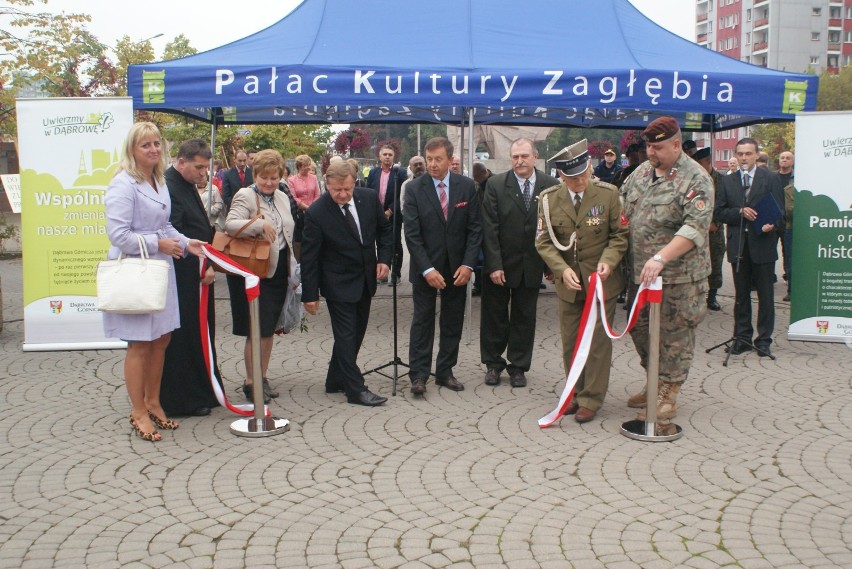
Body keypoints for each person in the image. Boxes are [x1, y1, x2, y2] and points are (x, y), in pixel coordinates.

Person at [103, 122, 206, 442]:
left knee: (161, 339)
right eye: (145, 144)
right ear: (132, 150)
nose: (153, 149)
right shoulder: (123, 184)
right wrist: (158, 244)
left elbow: (164, 227)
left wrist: (187, 243)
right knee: (140, 344)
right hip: (137, 271)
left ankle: (153, 402)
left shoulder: (158, 181)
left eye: (157, 143)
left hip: (160, 271)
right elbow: (118, 236)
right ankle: (137, 411)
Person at [621, 116, 713, 422]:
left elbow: (693, 228)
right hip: (641, 276)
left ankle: (668, 394)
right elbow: (622, 207)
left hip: (679, 278)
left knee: (674, 336)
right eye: (648, 146)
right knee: (639, 329)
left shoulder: (695, 178)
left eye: (658, 147)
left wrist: (660, 257)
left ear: (676, 144)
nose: (651, 153)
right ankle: (654, 380)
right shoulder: (642, 172)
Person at [534, 139, 627, 422]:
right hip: (569, 284)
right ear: (561, 175)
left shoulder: (608, 195)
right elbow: (544, 241)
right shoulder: (549, 199)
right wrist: (561, 270)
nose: (580, 181)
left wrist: (608, 262)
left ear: (589, 166)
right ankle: (574, 392)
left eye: (584, 174)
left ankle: (591, 398)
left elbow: (619, 236)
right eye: (573, 178)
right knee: (571, 341)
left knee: (598, 343)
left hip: (601, 283)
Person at [301, 161, 393, 406]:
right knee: (346, 335)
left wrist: (385, 259)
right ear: (326, 185)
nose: (342, 195)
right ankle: (355, 389)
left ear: (355, 183)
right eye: (336, 190)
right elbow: (309, 257)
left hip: (365, 280)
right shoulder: (317, 212)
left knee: (356, 334)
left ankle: (335, 379)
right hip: (337, 283)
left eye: (347, 189)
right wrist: (310, 294)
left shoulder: (369, 198)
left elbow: (385, 231)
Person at [404, 137, 481, 396]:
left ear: (450, 159)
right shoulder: (415, 189)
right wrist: (427, 269)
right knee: (422, 321)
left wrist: (469, 265)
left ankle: (445, 371)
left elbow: (475, 229)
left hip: (457, 268)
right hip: (425, 269)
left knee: (452, 321)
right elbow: (412, 234)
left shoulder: (467, 187)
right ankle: (419, 375)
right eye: (429, 160)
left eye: (438, 159)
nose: (433, 165)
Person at [480, 138, 559, 389]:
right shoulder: (495, 184)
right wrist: (494, 265)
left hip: (532, 264)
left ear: (535, 157)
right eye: (515, 157)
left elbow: (556, 227)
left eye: (524, 156)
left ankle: (518, 367)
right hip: (500, 264)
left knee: (525, 317)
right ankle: (493, 364)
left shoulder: (551, 185)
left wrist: (552, 265)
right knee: (495, 316)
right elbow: (489, 228)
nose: (519, 161)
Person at [225, 149, 296, 402]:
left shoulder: (282, 197)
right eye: (264, 177)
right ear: (255, 175)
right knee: (255, 330)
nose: (269, 182)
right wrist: (259, 225)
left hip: (276, 272)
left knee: (268, 330)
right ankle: (250, 381)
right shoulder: (245, 194)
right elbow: (229, 224)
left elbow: (288, 233)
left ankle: (262, 377)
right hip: (253, 272)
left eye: (274, 177)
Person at [159, 139, 221, 418]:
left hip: (195, 270)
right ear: (181, 162)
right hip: (184, 275)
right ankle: (182, 399)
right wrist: (202, 264)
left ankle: (202, 390)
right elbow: (176, 232)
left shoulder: (183, 183)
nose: (203, 173)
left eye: (206, 168)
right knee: (185, 337)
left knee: (200, 335)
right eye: (198, 167)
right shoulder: (170, 186)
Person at [715, 138, 785, 357]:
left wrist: (771, 225)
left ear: (756, 155)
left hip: (762, 245)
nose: (744, 158)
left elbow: (780, 213)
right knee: (741, 295)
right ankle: (742, 338)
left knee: (765, 296)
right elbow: (718, 213)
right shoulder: (728, 181)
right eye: (740, 154)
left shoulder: (771, 178)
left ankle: (764, 340)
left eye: (748, 153)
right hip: (738, 246)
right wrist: (739, 212)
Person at [366, 145, 407, 285]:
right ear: (380, 156)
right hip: (376, 214)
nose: (387, 157)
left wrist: (390, 211)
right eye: (385, 154)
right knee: (379, 243)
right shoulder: (373, 173)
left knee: (395, 243)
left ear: (394, 157)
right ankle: (382, 274)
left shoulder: (400, 173)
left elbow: (401, 195)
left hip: (393, 214)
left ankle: (396, 274)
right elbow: (369, 193)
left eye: (390, 154)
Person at [692, 148, 726, 311]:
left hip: (714, 232)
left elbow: (723, 204)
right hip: (696, 230)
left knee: (715, 263)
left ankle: (712, 296)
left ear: (707, 161)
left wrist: (715, 223)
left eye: (699, 163)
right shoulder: (694, 179)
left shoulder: (720, 180)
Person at [471, 161, 493, 296]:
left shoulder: (494, 183)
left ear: (484, 172)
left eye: (477, 177)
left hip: (491, 227)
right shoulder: (479, 184)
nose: (476, 180)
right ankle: (478, 284)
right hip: (480, 227)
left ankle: (486, 285)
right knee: (479, 260)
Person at [777, 150, 794, 300]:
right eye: (782, 157)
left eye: (788, 158)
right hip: (774, 220)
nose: (784, 160)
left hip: (789, 223)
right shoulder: (773, 177)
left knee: (789, 255)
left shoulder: (796, 178)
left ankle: (791, 289)